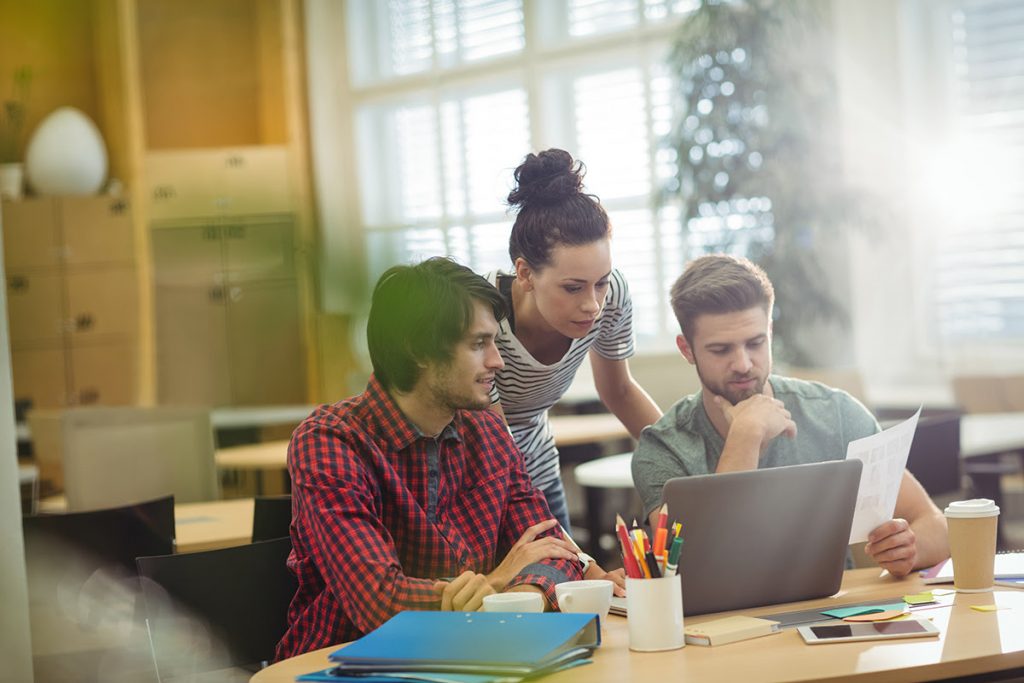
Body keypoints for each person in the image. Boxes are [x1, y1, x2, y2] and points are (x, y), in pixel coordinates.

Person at [275, 257, 586, 660]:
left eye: (494, 341)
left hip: (470, 656)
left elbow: (554, 551)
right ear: (417, 349)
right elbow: (379, 603)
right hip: (347, 663)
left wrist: (519, 596)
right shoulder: (332, 442)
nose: (498, 361)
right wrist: (495, 583)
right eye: (478, 344)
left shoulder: (488, 432)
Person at [631, 254, 949, 578]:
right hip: (722, 626)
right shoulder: (663, 449)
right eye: (721, 350)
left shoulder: (836, 414)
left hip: (831, 618)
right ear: (687, 349)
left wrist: (911, 548)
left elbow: (935, 524)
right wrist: (746, 436)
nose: (742, 363)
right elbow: (694, 568)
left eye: (755, 343)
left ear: (769, 331)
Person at [486, 148, 662, 534]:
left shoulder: (612, 294)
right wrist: (580, 559)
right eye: (572, 288)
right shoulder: (483, 318)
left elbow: (620, 391)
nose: (592, 304)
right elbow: (493, 444)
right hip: (478, 481)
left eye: (600, 282)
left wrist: (685, 467)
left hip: (537, 466)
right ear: (526, 274)